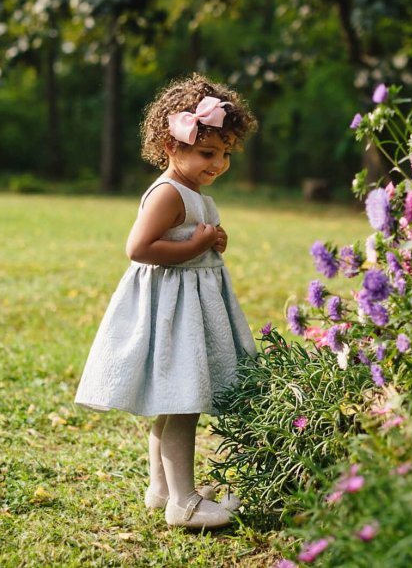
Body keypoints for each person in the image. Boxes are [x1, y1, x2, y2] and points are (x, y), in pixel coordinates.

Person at [75, 74, 258, 530]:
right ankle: (184, 501)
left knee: (176, 402)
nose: (218, 163)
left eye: (226, 154)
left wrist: (212, 240)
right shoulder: (167, 193)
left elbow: (190, 238)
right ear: (169, 144)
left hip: (190, 309)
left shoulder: (193, 193)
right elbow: (139, 249)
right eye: (207, 152)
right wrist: (195, 247)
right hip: (172, 314)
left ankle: (161, 489)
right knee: (183, 403)